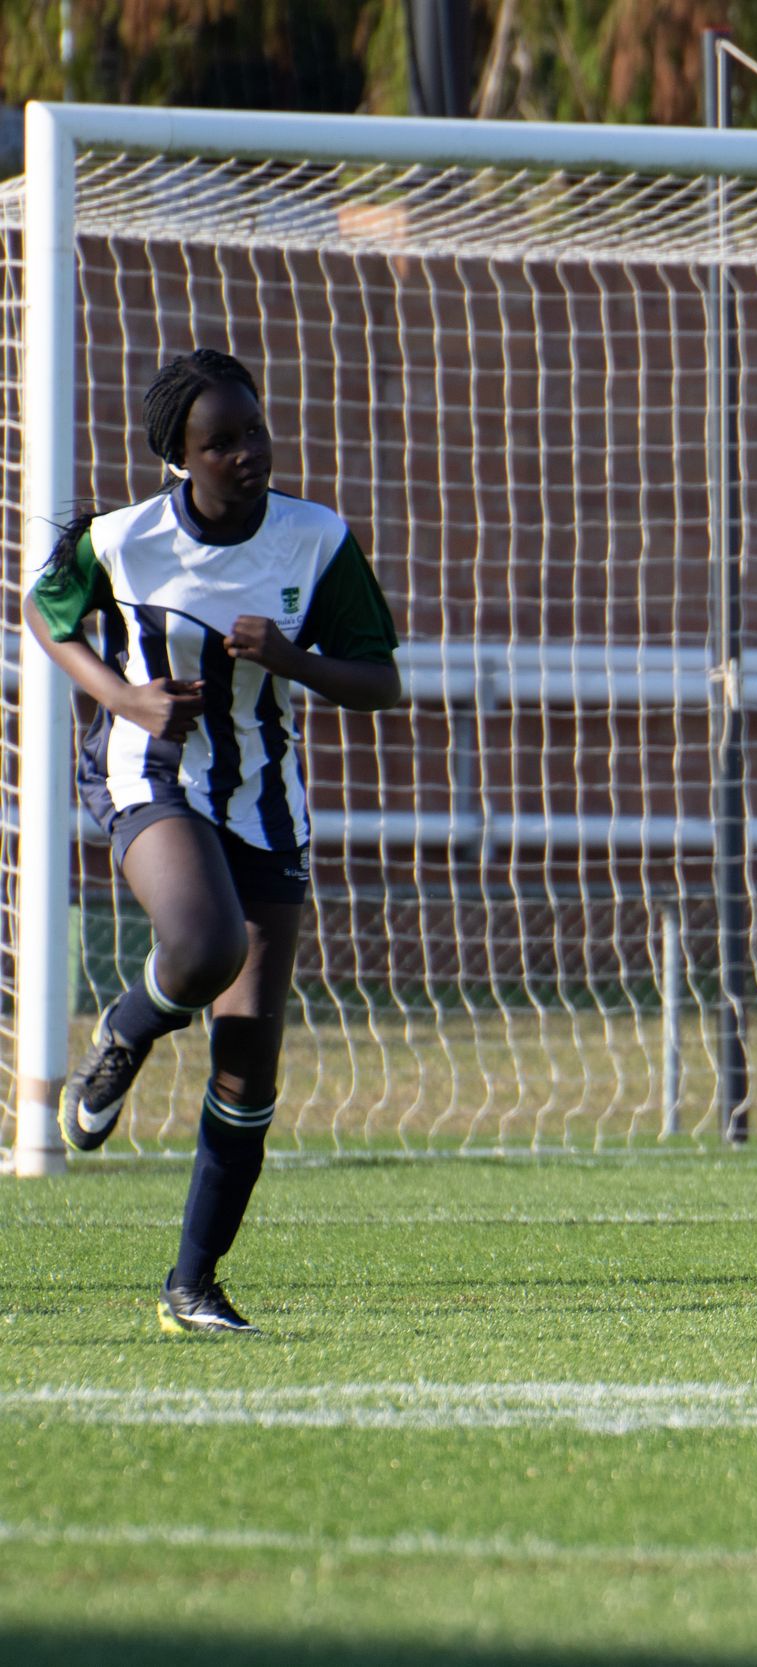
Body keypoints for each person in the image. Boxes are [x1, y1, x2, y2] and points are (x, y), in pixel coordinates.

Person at [29, 349, 404, 1335]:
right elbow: (45, 609)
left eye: (254, 431)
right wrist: (125, 698)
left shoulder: (315, 540)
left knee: (248, 1066)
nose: (248, 453)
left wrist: (290, 658)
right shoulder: (126, 540)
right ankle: (125, 1034)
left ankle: (191, 1286)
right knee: (203, 945)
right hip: (149, 772)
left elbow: (381, 680)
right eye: (221, 441)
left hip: (266, 800)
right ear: (180, 458)